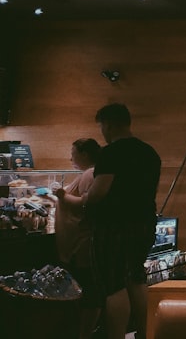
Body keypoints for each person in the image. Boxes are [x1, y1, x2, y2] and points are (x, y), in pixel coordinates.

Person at [85, 104, 162, 339]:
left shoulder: (110, 153)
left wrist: (78, 201)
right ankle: (145, 332)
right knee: (136, 278)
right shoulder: (150, 153)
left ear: (108, 124)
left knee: (114, 284)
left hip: (114, 227)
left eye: (101, 126)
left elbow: (98, 193)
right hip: (144, 224)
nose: (102, 131)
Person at [51, 138, 103, 338]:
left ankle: (84, 334)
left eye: (73, 153)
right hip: (79, 244)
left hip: (81, 244)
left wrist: (62, 195)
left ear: (85, 154)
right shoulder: (89, 172)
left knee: (87, 293)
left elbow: (85, 204)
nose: (70, 157)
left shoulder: (90, 173)